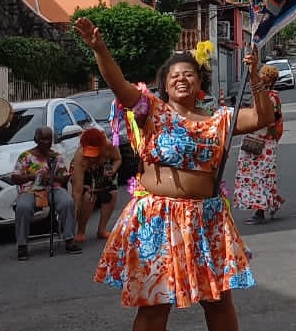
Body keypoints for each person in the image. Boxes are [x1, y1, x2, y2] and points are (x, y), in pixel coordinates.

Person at [77, 16, 275, 331]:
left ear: (199, 84)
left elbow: (263, 116)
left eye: (189, 75)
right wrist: (99, 48)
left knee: (219, 302)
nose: (181, 79)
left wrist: (254, 77)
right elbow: (118, 84)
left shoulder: (219, 120)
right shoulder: (151, 110)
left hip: (206, 219)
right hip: (158, 217)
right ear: (165, 83)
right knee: (155, 305)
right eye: (174, 76)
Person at [12, 126, 80, 259]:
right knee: (23, 207)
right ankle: (22, 245)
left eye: (49, 139)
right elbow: (14, 177)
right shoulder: (26, 156)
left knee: (67, 202)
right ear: (36, 139)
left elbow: (64, 177)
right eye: (43, 139)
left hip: (52, 188)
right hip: (30, 190)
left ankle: (69, 239)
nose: (46, 142)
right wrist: (31, 177)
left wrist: (52, 178)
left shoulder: (55, 157)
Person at [234, 83, 284, 225]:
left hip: (262, 143)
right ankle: (273, 203)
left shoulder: (270, 98)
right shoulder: (267, 97)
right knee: (261, 177)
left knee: (258, 177)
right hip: (258, 141)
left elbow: (271, 122)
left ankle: (260, 211)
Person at [70, 127, 120, 243]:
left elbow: (118, 159)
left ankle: (102, 230)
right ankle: (80, 231)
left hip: (105, 170)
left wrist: (113, 169)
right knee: (88, 196)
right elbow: (77, 190)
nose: (92, 157)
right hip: (87, 173)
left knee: (112, 193)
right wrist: (75, 209)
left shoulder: (110, 146)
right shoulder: (80, 156)